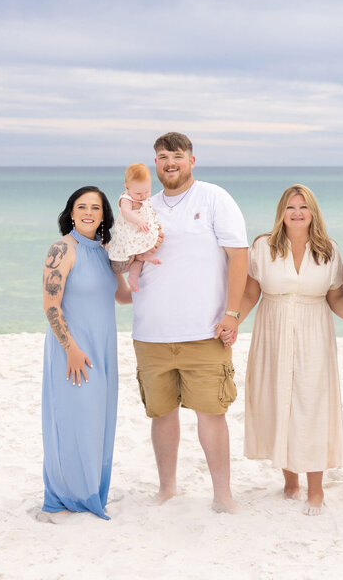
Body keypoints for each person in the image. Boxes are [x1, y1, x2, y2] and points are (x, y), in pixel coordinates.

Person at [126, 132, 249, 513]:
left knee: (212, 414)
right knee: (161, 414)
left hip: (205, 331)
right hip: (150, 332)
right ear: (155, 165)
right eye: (162, 157)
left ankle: (222, 495)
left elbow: (239, 257)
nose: (169, 163)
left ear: (191, 161)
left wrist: (232, 313)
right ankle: (167, 489)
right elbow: (123, 258)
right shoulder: (142, 207)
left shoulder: (214, 198)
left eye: (176, 155)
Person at [233, 184, 343, 515]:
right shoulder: (262, 247)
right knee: (278, 401)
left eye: (303, 206)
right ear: (281, 214)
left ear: (313, 212)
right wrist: (232, 320)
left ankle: (316, 490)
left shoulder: (328, 250)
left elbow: (336, 297)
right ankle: (290, 481)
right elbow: (249, 293)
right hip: (272, 331)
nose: (297, 212)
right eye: (290, 207)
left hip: (315, 332)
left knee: (312, 406)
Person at [39, 185, 131, 522]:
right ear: (72, 211)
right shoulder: (62, 249)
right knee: (73, 418)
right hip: (73, 351)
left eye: (96, 207)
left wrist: (143, 265)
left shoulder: (106, 251)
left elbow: (123, 296)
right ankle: (64, 496)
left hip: (102, 348)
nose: (89, 212)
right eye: (82, 206)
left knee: (97, 421)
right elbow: (50, 304)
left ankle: (91, 490)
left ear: (105, 214)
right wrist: (71, 349)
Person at [106, 163, 161, 293]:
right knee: (136, 255)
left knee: (139, 260)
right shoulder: (126, 199)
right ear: (127, 187)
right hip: (130, 232)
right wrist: (139, 221)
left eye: (147, 191)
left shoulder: (144, 197)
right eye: (138, 193)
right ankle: (143, 257)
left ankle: (133, 278)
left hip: (140, 230)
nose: (143, 196)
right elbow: (126, 213)